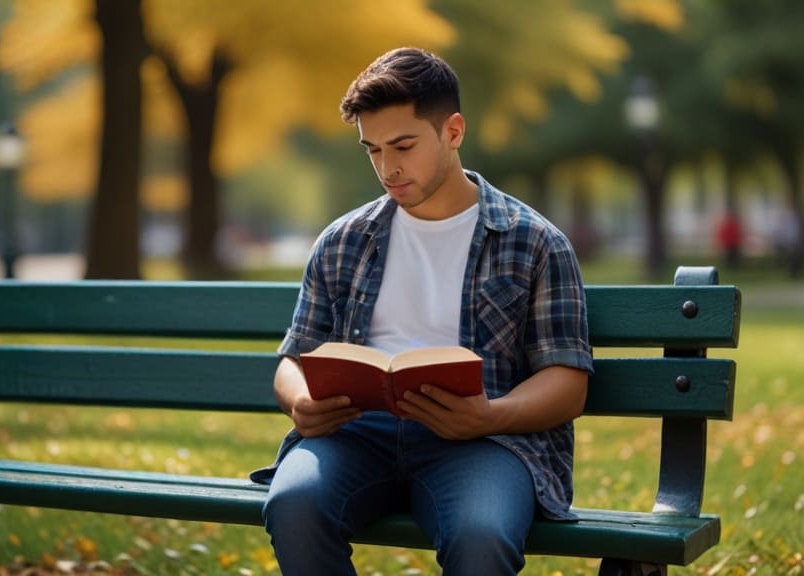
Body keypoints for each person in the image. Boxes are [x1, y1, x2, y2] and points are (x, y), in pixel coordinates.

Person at [250, 47, 594, 575]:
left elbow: (568, 383)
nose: (388, 168)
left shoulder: (535, 242)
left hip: (485, 443)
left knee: (481, 536)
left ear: (453, 131)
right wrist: (300, 401)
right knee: (294, 504)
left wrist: (489, 416)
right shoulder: (343, 240)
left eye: (403, 146)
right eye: (373, 150)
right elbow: (293, 359)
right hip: (356, 435)